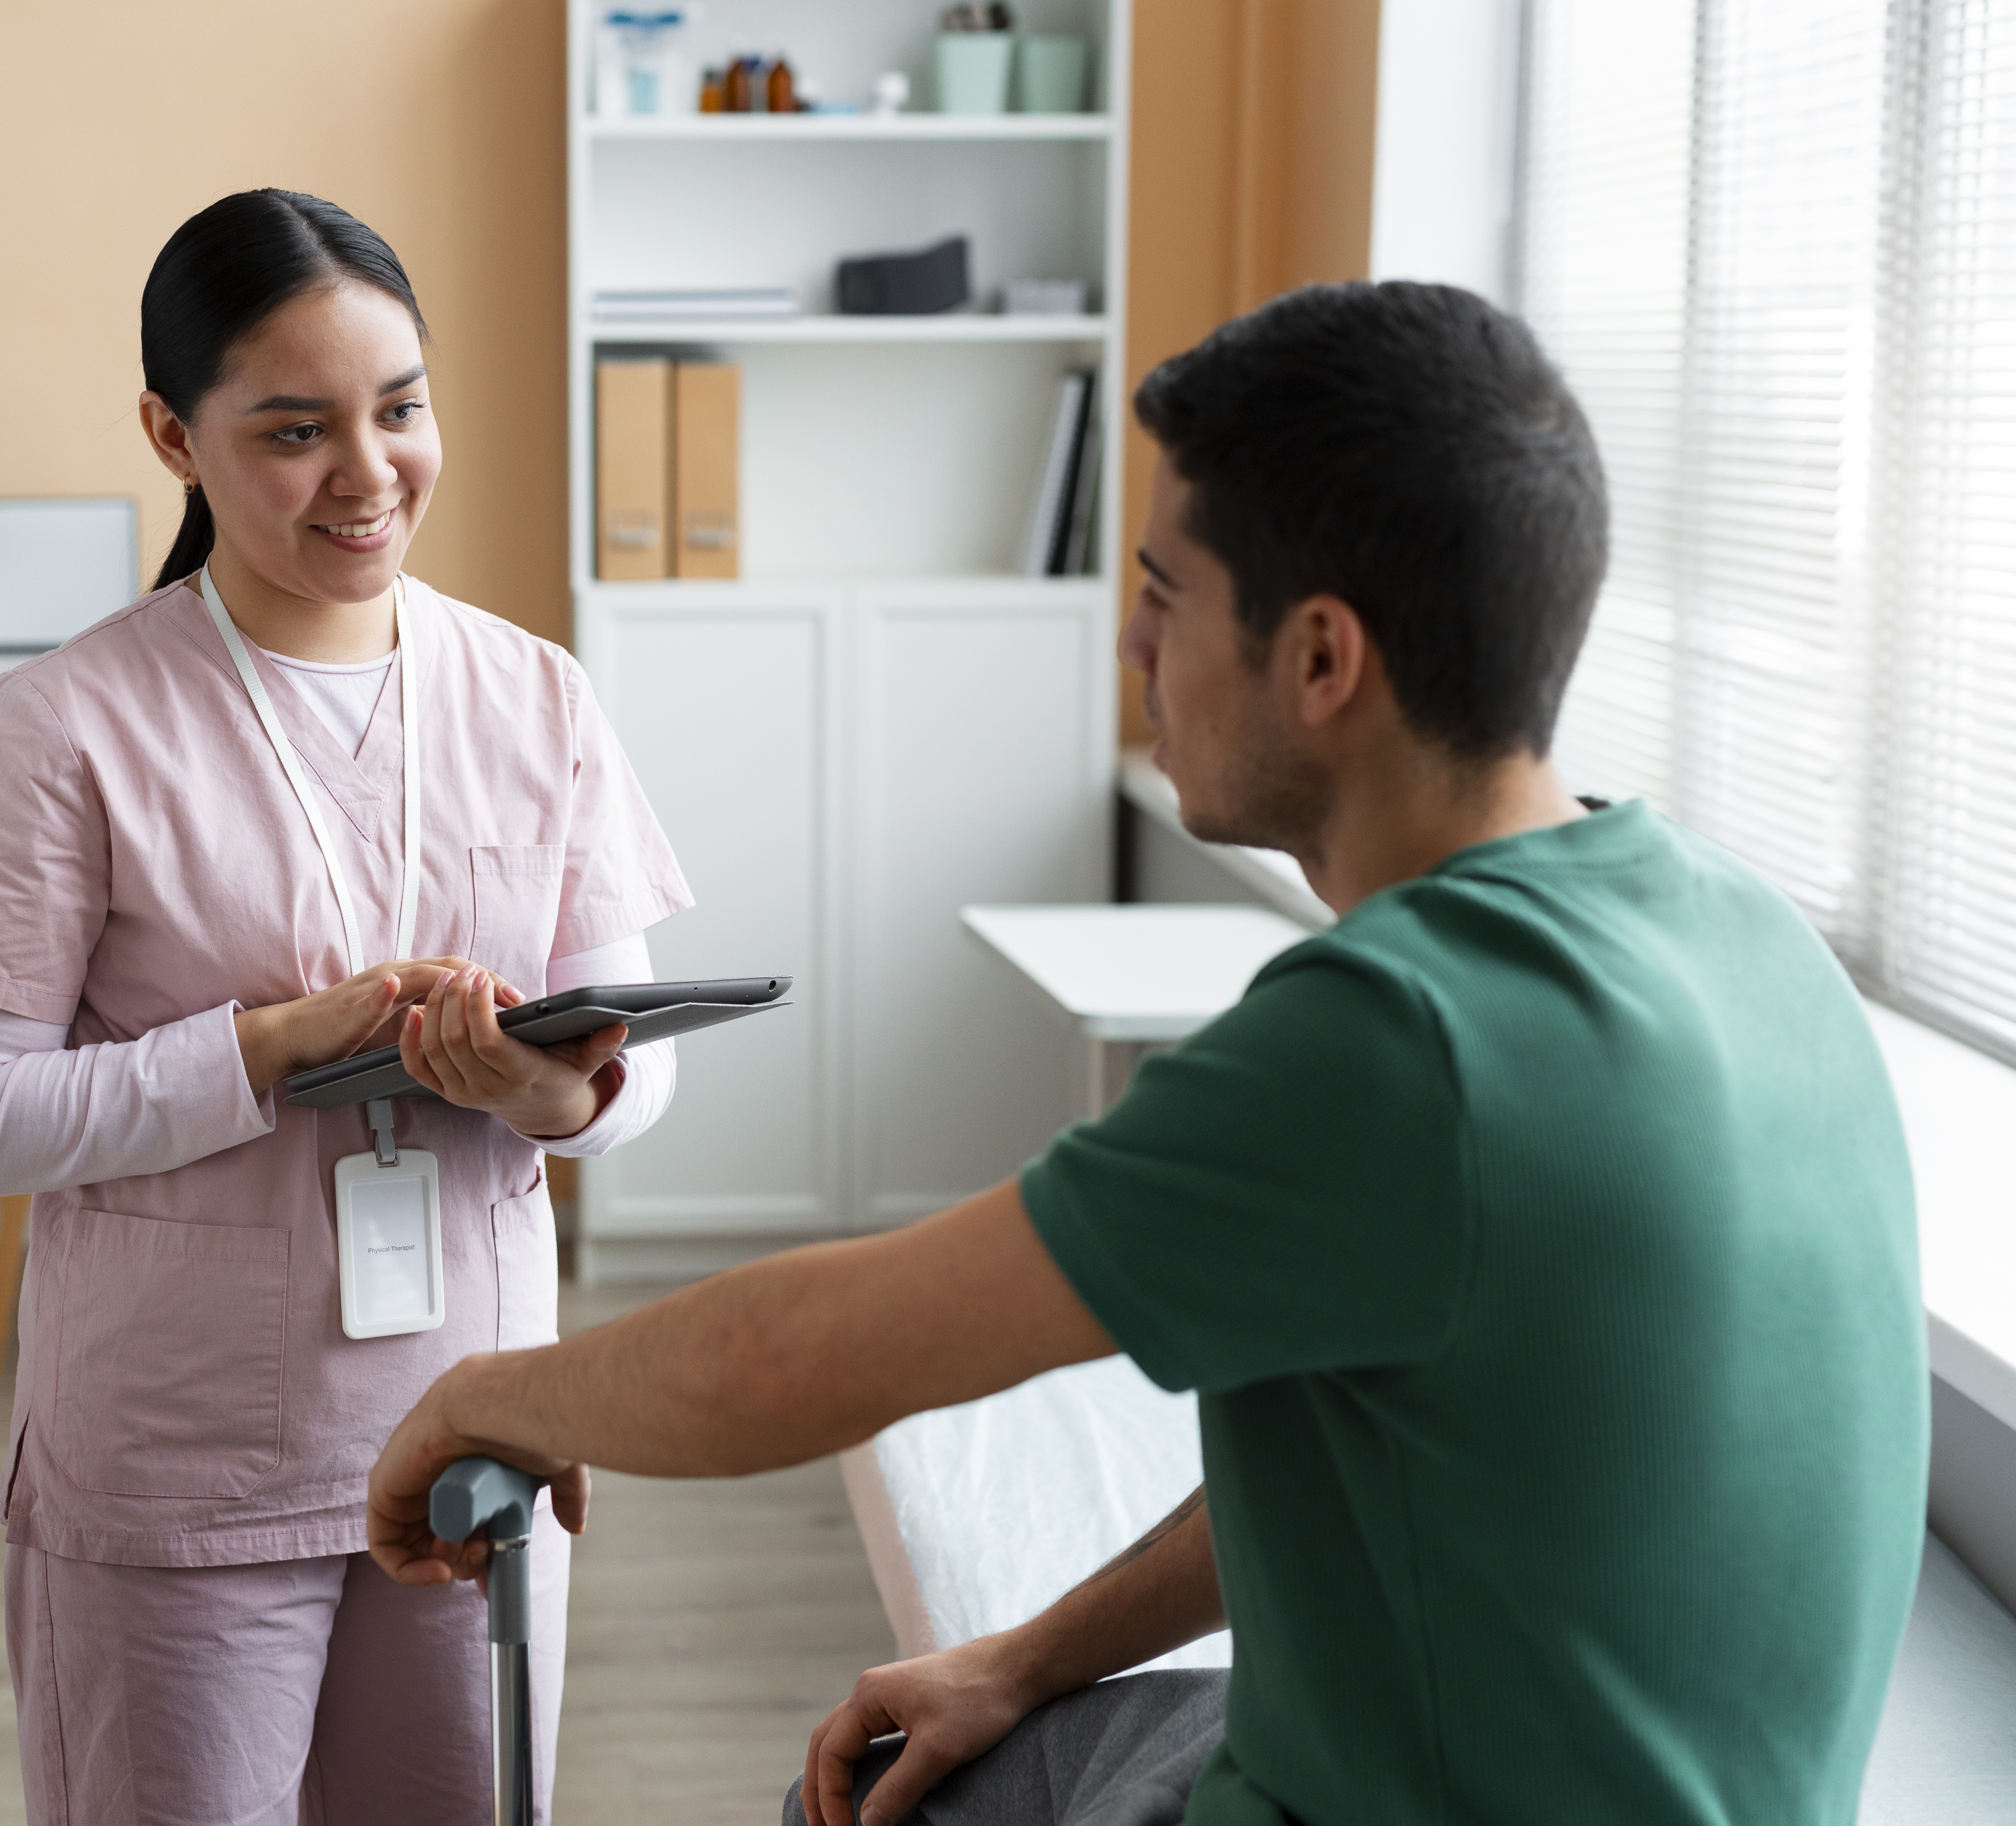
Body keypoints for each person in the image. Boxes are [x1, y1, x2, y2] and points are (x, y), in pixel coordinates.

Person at [364, 282, 1928, 1826]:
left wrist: (484, 1399)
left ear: (1320, 660)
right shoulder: (1742, 927)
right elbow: (1375, 1466)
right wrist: (1024, 1660)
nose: (1128, 641)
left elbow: (794, 1359)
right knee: (953, 1746)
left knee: (840, 1807)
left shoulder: (1401, 1039)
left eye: (1163, 594)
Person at [0, 188, 690, 1826]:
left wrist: (547, 1097)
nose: (367, 473)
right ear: (173, 434)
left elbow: (627, 1064)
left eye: (400, 410)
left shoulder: (536, 695)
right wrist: (272, 1045)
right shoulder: (62, 725)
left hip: (471, 1431)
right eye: (294, 428)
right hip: (181, 1461)